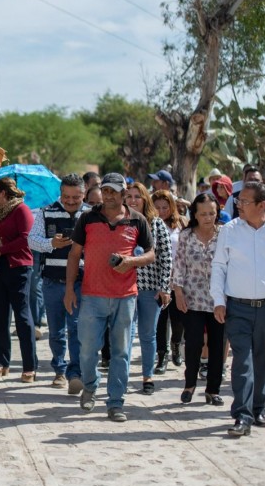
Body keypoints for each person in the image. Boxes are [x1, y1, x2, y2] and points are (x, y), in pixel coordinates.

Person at [65, 173, 155, 423]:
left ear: (124, 193)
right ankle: (91, 386)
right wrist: (70, 289)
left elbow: (151, 255)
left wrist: (131, 262)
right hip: (92, 296)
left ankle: (116, 402)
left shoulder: (138, 221)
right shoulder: (87, 218)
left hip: (125, 297)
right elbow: (74, 255)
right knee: (87, 351)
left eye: (114, 191)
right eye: (105, 190)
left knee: (121, 352)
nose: (109, 195)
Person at [210, 182, 265, 437]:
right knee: (242, 362)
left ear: (261, 205)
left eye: (244, 202)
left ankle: (258, 408)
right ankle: (242, 415)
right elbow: (219, 267)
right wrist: (218, 300)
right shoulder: (230, 231)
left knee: (262, 359)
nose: (239, 205)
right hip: (237, 307)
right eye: (239, 201)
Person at [29, 173, 89, 394]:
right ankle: (59, 369)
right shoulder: (46, 212)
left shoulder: (92, 214)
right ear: (60, 194)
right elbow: (32, 240)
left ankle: (75, 373)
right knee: (56, 330)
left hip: (81, 283)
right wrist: (51, 243)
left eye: (76, 197)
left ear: (84, 194)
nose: (71, 201)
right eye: (66, 196)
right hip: (52, 281)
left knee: (76, 329)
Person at [172, 193, 224, 405]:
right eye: (203, 213)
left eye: (212, 213)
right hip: (192, 299)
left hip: (218, 300)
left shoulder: (224, 235)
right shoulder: (186, 235)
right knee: (193, 343)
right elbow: (179, 265)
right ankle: (189, 385)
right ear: (194, 214)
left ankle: (213, 389)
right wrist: (178, 292)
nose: (208, 217)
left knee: (217, 344)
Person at [0, 177, 38, 382]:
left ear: (3, 193)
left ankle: (29, 367)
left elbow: (26, 238)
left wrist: (0, 250)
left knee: (22, 318)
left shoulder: (21, 210)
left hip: (18, 268)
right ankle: (0, 362)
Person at [124, 183, 172, 395]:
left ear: (145, 199)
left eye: (137, 196)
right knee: (124, 333)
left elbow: (166, 258)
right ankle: (121, 377)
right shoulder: (121, 222)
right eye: (129, 196)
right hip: (124, 287)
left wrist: (164, 288)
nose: (133, 200)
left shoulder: (157, 224)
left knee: (147, 334)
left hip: (149, 288)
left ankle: (147, 377)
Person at [151, 189, 186, 374]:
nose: (161, 211)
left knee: (178, 318)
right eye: (157, 207)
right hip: (158, 278)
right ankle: (162, 356)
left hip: (179, 278)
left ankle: (176, 346)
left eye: (165, 207)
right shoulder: (151, 224)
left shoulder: (181, 224)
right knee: (161, 320)